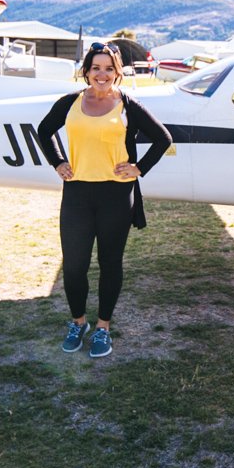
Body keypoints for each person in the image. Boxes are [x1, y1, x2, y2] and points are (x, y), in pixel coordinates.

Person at [37, 42, 172, 358]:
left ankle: (102, 328)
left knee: (110, 263)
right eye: (96, 68)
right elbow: (44, 131)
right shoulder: (70, 102)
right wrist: (58, 161)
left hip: (115, 195)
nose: (102, 74)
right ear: (86, 71)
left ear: (117, 72)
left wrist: (139, 168)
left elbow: (163, 138)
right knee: (74, 266)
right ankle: (78, 322)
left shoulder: (127, 105)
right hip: (77, 194)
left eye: (109, 68)